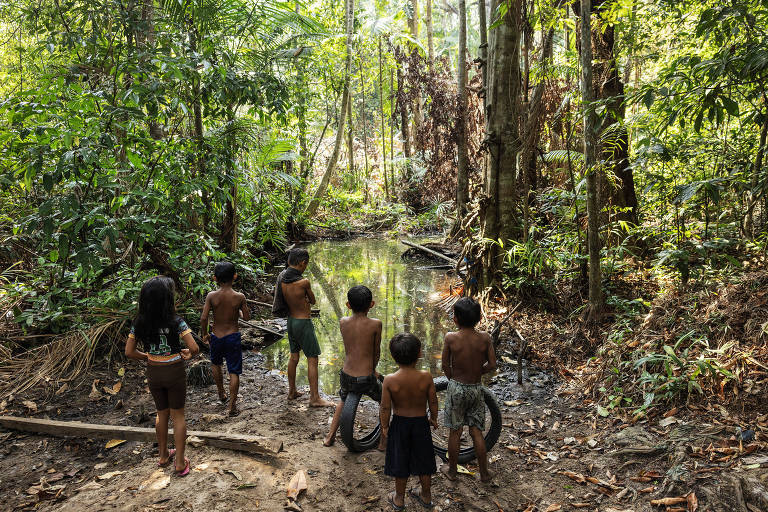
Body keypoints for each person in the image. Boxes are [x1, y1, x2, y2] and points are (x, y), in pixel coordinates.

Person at [125, 276, 199, 477]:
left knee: (161, 413)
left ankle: (163, 455)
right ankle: (180, 462)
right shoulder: (177, 321)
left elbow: (129, 352)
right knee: (178, 415)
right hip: (174, 371)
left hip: (154, 372)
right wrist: (188, 353)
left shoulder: (139, 322)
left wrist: (148, 356)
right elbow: (194, 347)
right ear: (168, 299)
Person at [440, 297, 496, 482]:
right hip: (476, 388)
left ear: (455, 319)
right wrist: (479, 371)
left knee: (455, 431)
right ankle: (485, 473)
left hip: (456, 386)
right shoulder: (485, 338)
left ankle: (453, 471)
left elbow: (445, 365)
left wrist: (453, 380)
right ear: (479, 318)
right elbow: (492, 364)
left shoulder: (450, 338)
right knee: (476, 431)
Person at [380, 333, 438, 511]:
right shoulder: (426, 377)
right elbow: (433, 401)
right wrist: (433, 418)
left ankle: (399, 499)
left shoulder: (390, 380)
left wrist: (385, 426)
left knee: (400, 461)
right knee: (424, 461)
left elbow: (385, 408)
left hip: (399, 425)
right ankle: (426, 496)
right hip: (420, 424)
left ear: (393, 356)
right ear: (419, 353)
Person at [323, 285, 383, 447]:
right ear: (372, 304)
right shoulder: (376, 324)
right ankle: (384, 439)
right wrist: (373, 370)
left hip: (346, 375)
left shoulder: (343, 322)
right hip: (366, 378)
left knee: (342, 401)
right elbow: (376, 353)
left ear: (348, 305)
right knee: (384, 400)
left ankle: (329, 437)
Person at [274, 247, 333, 407]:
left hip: (291, 321)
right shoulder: (304, 282)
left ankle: (292, 391)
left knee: (294, 357)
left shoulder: (283, 280)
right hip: (303, 322)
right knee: (312, 359)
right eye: (306, 264)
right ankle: (315, 398)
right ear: (302, 263)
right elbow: (313, 300)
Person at [200, 261, 249, 417]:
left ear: (215, 278)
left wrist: (205, 334)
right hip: (233, 336)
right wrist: (240, 312)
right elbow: (247, 317)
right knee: (234, 371)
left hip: (216, 336)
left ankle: (221, 392)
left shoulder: (211, 296)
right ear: (235, 276)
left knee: (216, 363)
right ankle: (232, 406)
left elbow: (203, 318)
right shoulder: (239, 297)